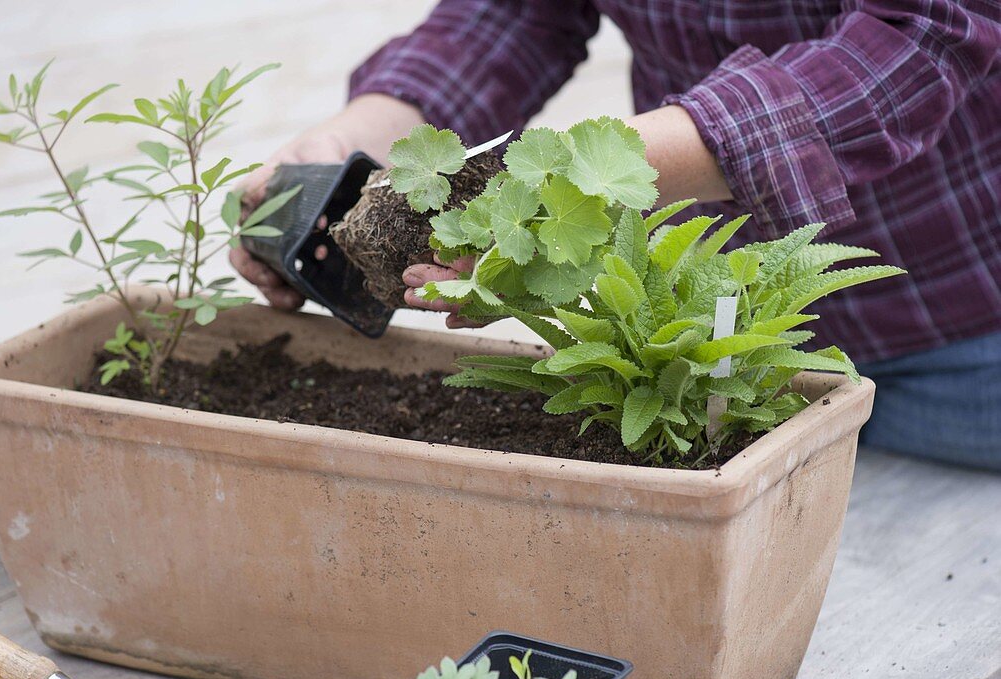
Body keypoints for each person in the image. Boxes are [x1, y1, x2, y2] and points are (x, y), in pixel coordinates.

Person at [232, 1, 1001, 470]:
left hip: (965, 318)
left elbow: (924, 30)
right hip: (718, 346)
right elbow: (517, 12)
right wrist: (353, 140)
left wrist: (558, 191)